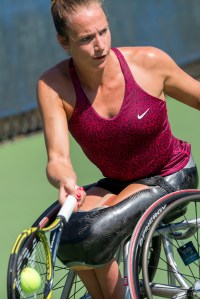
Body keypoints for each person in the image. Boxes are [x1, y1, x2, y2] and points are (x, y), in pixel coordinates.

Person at [37, 0, 200, 298]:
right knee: (71, 232)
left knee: (93, 232)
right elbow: (58, 158)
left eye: (103, 32)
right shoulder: (53, 86)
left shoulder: (149, 62)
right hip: (116, 181)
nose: (99, 45)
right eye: (86, 39)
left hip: (169, 174)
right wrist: (65, 180)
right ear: (64, 43)